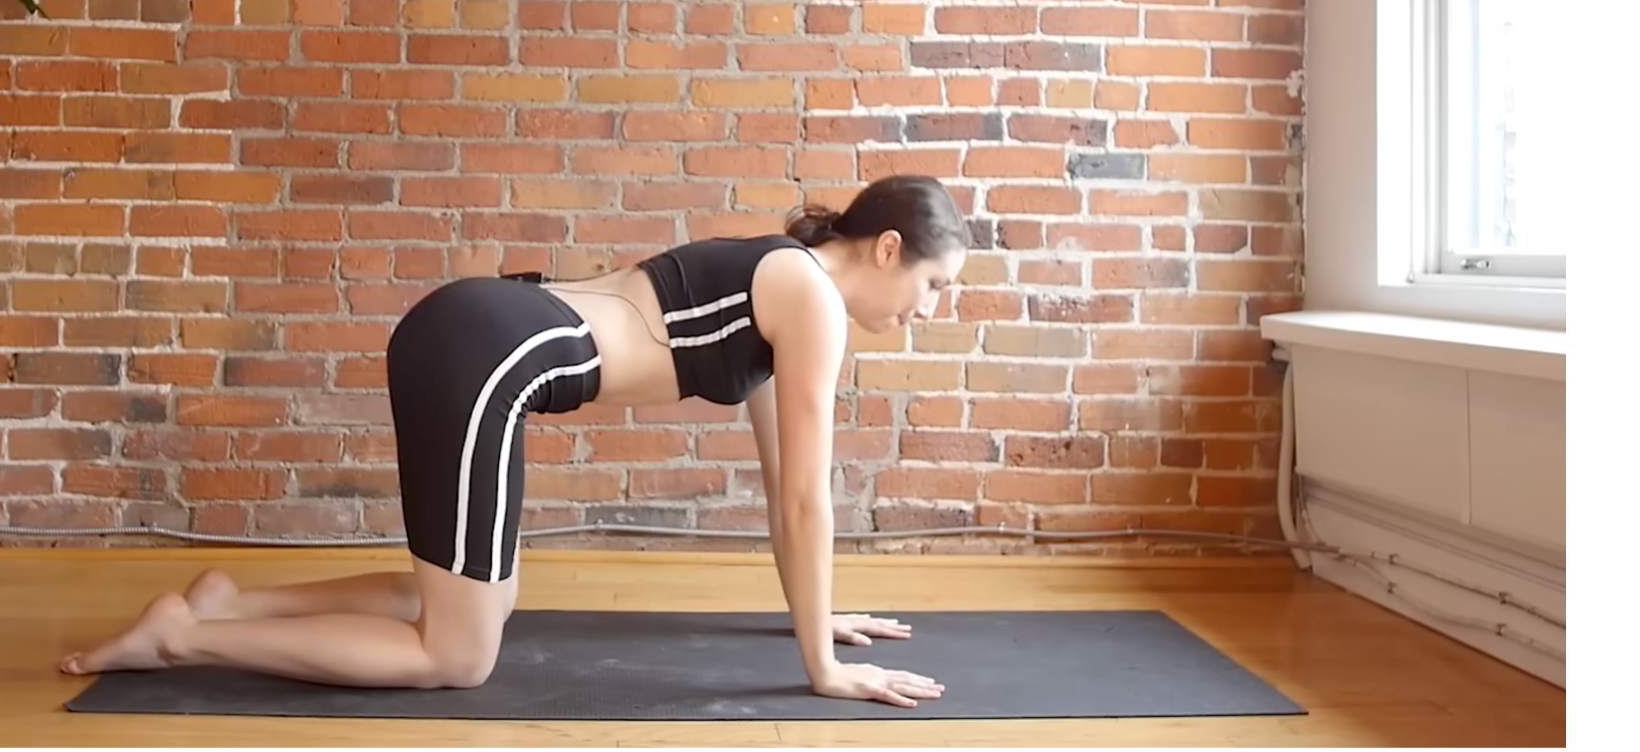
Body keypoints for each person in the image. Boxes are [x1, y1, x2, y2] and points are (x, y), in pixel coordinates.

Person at [59, 174, 970, 709]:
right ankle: (182, 638)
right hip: (486, 351)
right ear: (887, 248)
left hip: (485, 333)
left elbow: (787, 493)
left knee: (484, 604)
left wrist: (821, 621)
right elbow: (811, 500)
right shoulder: (810, 296)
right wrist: (822, 672)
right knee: (457, 656)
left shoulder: (786, 279)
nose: (927, 313)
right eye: (933, 287)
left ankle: (232, 604)